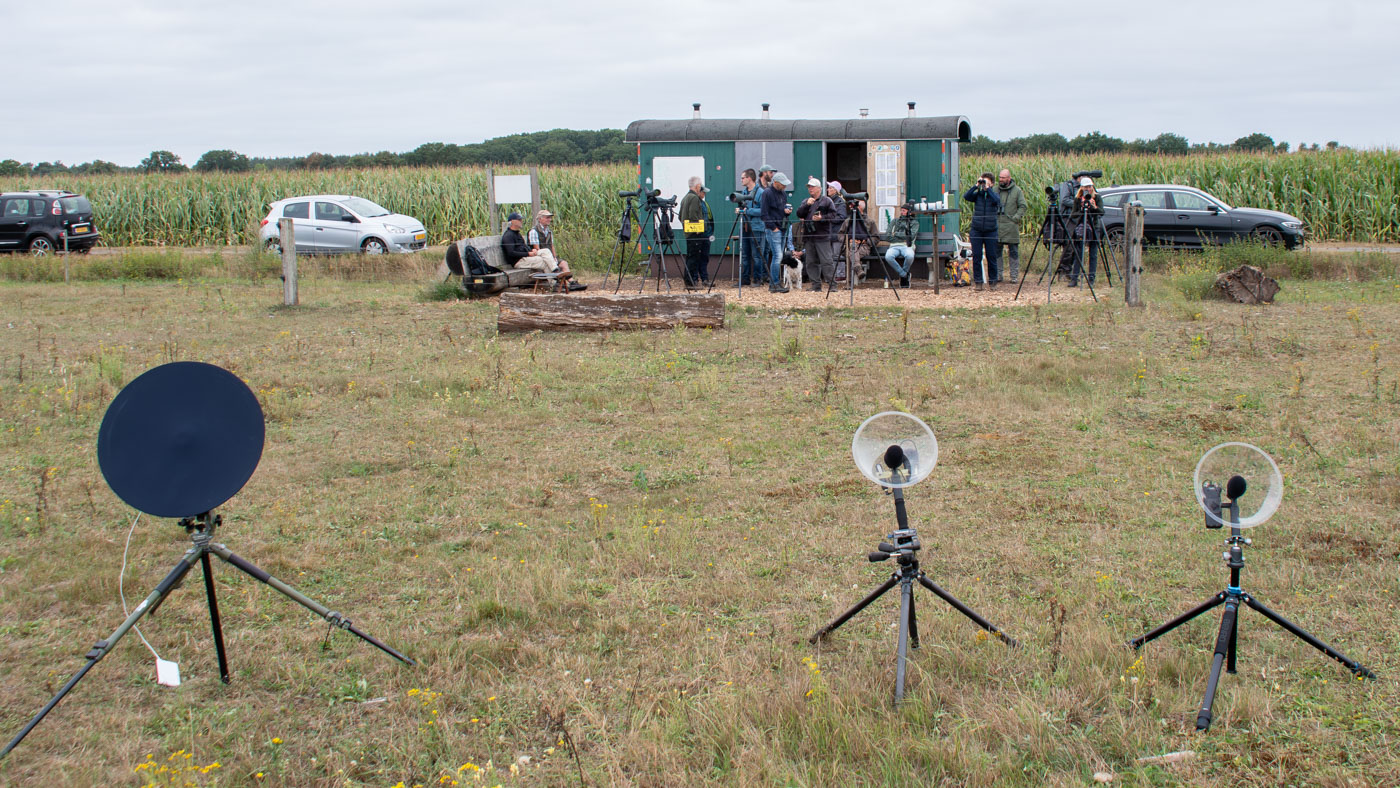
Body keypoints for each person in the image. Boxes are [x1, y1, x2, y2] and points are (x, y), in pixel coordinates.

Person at [501, 211, 572, 284]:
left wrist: (532, 250)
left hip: (525, 257)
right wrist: (528, 254)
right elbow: (511, 253)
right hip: (518, 261)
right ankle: (554, 283)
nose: (521, 221)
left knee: (546, 251)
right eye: (519, 220)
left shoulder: (517, 234)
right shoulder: (508, 236)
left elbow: (523, 247)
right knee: (543, 261)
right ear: (513, 221)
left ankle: (556, 270)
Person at [796, 177, 839, 291]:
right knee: (810, 262)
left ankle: (832, 285)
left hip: (822, 236)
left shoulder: (827, 201)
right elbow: (799, 213)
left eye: (812, 187)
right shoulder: (806, 201)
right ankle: (815, 285)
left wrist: (822, 218)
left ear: (819, 188)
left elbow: (834, 215)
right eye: (809, 187)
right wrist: (806, 205)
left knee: (826, 261)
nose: (810, 189)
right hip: (809, 236)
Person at [527, 209, 584, 291]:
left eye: (550, 218)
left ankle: (571, 283)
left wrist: (554, 257)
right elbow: (536, 248)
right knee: (552, 263)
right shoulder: (534, 231)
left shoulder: (549, 231)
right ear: (540, 219)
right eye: (547, 218)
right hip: (541, 257)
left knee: (564, 263)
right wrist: (550, 259)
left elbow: (552, 245)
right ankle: (558, 283)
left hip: (549, 255)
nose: (549, 220)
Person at [963, 172, 1001, 291]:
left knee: (991, 256)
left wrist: (988, 189)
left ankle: (993, 282)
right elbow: (966, 196)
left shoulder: (994, 195)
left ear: (992, 184)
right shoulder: (978, 195)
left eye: (987, 182)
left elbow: (997, 201)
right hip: (977, 230)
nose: (984, 185)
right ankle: (978, 282)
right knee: (977, 257)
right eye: (983, 182)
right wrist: (976, 186)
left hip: (990, 230)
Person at [760, 172, 793, 292]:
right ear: (776, 183)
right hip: (774, 229)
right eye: (783, 184)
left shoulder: (783, 194)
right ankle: (774, 284)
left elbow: (779, 210)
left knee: (777, 256)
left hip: (781, 227)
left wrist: (786, 212)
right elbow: (764, 213)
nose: (785, 186)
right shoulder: (767, 193)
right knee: (777, 256)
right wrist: (773, 227)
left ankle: (775, 284)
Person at [678, 176, 713, 288]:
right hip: (695, 233)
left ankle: (690, 281)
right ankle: (691, 282)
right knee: (693, 258)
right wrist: (698, 228)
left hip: (688, 233)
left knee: (690, 256)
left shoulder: (685, 198)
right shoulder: (694, 198)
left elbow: (680, 216)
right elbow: (693, 215)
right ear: (697, 186)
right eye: (700, 185)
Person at [995, 169, 1027, 285]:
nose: (1001, 180)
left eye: (1003, 178)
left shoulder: (1017, 191)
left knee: (1013, 251)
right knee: (996, 251)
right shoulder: (995, 190)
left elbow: (1023, 206)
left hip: (1011, 226)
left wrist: (1015, 218)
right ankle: (998, 275)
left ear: (1009, 178)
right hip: (997, 225)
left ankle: (1014, 276)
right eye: (1000, 177)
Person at [1070, 176, 1103, 287]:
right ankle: (1074, 278)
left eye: (1089, 187)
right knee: (1078, 253)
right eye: (1085, 187)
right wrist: (1082, 209)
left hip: (1094, 227)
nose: (1087, 189)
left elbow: (1101, 212)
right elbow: (1073, 214)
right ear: (1081, 188)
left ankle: (1091, 278)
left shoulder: (1097, 197)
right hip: (1081, 227)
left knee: (1093, 253)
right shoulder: (1077, 199)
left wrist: (1094, 207)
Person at [881, 202, 920, 288]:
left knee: (910, 256)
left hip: (907, 245)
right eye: (901, 210)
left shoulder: (914, 223)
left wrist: (895, 234)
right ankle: (904, 275)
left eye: (904, 211)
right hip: (894, 246)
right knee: (888, 256)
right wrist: (903, 236)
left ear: (909, 212)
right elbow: (887, 236)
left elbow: (911, 236)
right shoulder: (894, 221)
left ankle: (903, 276)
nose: (902, 212)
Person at [736, 168, 762, 287]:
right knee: (744, 254)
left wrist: (748, 211)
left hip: (756, 227)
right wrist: (740, 210)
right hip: (745, 226)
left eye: (743, 178)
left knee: (756, 255)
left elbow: (764, 211)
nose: (741, 180)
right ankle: (745, 279)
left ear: (749, 178)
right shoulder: (744, 192)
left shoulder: (761, 193)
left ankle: (757, 279)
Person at [824, 181, 849, 281]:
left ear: (835, 190)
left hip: (836, 232)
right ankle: (831, 275)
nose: (828, 190)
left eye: (830, 188)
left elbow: (842, 217)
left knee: (837, 254)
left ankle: (840, 274)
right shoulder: (828, 201)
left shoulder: (840, 202)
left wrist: (829, 219)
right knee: (829, 255)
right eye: (828, 188)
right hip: (829, 232)